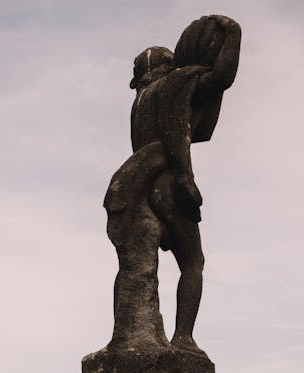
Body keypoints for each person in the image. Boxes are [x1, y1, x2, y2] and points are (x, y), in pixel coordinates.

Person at [104, 15, 241, 354]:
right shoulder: (174, 83)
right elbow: (220, 78)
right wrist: (233, 34)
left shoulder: (140, 102)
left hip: (139, 185)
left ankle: (133, 336)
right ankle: (183, 339)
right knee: (193, 262)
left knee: (136, 266)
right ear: (169, 66)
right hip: (168, 185)